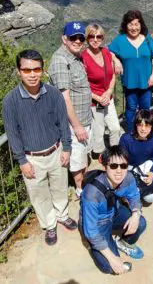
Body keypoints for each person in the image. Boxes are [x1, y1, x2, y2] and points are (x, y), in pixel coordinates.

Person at [2, 49, 77, 246]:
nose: (32, 74)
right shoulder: (10, 101)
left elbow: (62, 122)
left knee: (60, 188)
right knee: (40, 195)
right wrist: (22, 161)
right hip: (32, 157)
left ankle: (62, 215)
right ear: (19, 71)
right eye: (27, 70)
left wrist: (67, 148)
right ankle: (50, 225)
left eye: (36, 69)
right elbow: (12, 133)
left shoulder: (53, 94)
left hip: (56, 150)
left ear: (42, 70)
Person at [80, 145, 148, 275]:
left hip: (114, 211)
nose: (119, 171)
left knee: (141, 223)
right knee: (109, 267)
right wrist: (112, 258)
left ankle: (122, 242)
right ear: (105, 167)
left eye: (123, 166)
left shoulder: (128, 178)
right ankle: (95, 247)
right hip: (98, 224)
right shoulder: (91, 194)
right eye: (113, 166)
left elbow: (134, 196)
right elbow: (91, 231)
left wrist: (135, 214)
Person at [48, 21, 93, 199]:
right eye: (73, 38)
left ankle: (84, 185)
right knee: (76, 160)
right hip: (75, 124)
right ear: (64, 39)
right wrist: (77, 126)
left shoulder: (74, 57)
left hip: (84, 118)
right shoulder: (60, 61)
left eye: (80, 38)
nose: (77, 41)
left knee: (83, 155)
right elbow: (64, 98)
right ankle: (81, 190)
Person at [109, 10, 153, 133]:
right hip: (129, 81)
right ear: (125, 25)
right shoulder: (120, 40)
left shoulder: (147, 38)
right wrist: (116, 61)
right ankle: (131, 132)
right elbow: (109, 52)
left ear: (141, 24)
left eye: (136, 24)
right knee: (131, 108)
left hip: (146, 81)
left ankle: (145, 131)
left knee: (145, 108)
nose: (134, 28)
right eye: (130, 24)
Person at [81, 24, 123, 151]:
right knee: (98, 132)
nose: (95, 39)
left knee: (115, 127)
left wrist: (109, 91)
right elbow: (82, 84)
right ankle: (99, 156)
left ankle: (114, 152)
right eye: (91, 36)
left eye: (98, 36)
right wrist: (97, 97)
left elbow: (112, 75)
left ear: (102, 38)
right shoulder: (83, 57)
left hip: (107, 98)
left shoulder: (106, 52)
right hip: (94, 101)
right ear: (87, 38)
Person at [119, 110, 153, 203]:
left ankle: (136, 192)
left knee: (150, 198)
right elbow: (121, 161)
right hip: (130, 168)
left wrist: (152, 172)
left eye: (147, 125)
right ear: (136, 125)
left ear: (152, 126)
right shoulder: (126, 139)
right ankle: (131, 193)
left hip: (146, 167)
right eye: (140, 125)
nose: (143, 129)